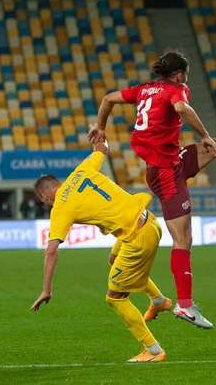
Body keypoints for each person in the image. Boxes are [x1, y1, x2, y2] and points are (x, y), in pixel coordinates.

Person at [88, 50, 216, 328]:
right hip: (165, 172)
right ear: (180, 74)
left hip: (171, 160)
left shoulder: (143, 90)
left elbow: (108, 98)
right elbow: (181, 108)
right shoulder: (177, 89)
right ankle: (185, 305)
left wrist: (101, 127)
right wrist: (202, 133)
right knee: (183, 239)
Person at [30, 139, 172, 362]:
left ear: (45, 197)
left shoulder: (60, 207)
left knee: (115, 298)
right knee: (114, 259)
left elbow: (51, 251)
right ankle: (158, 300)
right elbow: (102, 148)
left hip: (137, 238)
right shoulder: (81, 170)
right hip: (150, 221)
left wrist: (46, 289)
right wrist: (99, 132)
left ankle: (153, 351)